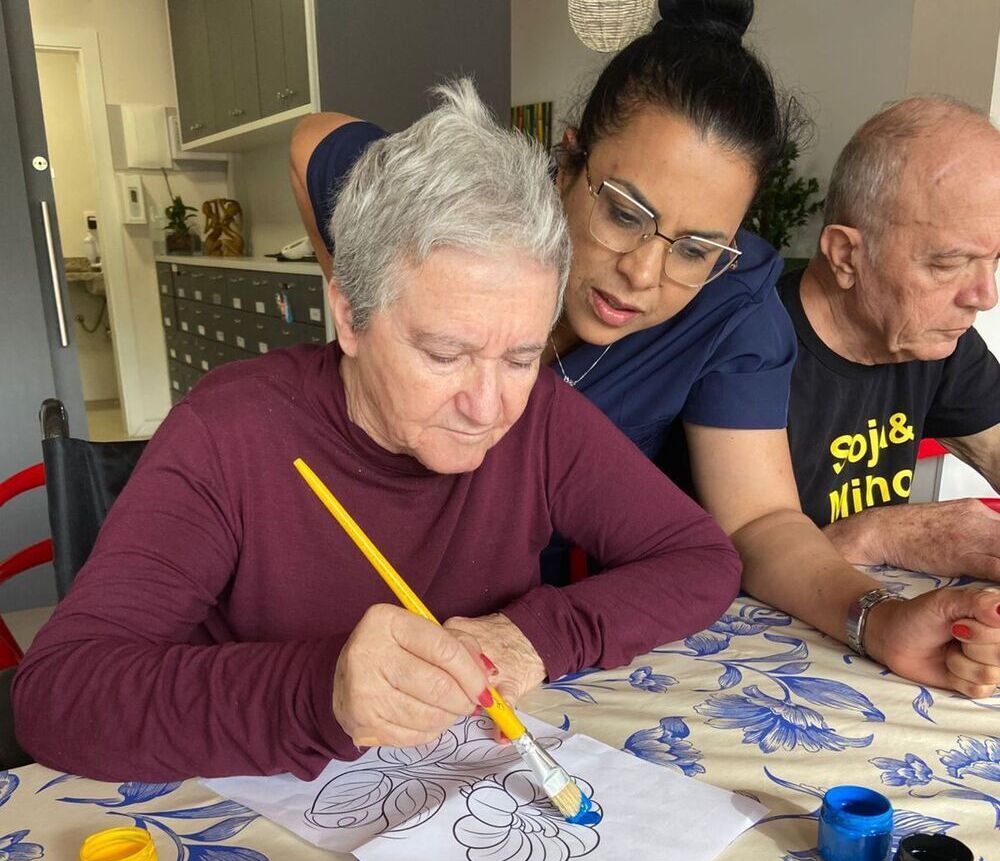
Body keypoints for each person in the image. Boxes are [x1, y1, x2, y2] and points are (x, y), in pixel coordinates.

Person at [11, 81, 741, 781]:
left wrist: (532, 638)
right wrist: (320, 690)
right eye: (444, 354)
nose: (489, 406)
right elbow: (57, 697)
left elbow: (701, 560)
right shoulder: (228, 432)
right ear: (351, 316)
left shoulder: (539, 416)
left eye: (522, 355)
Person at [290, 0, 1000, 700]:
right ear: (568, 162)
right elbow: (312, 142)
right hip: (357, 579)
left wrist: (879, 620)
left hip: (529, 635)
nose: (644, 274)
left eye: (696, 247)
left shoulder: (734, 302)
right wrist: (374, 322)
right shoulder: (466, 213)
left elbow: (759, 521)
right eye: (624, 213)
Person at [778, 96, 1000, 580]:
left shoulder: (931, 337)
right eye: (947, 263)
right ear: (844, 255)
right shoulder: (750, 344)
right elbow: (726, 564)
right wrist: (879, 531)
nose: (986, 296)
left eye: (996, 260)